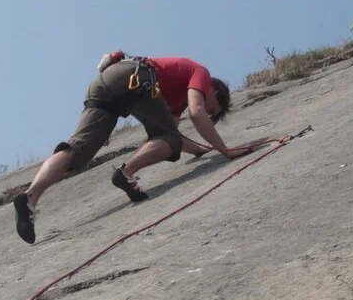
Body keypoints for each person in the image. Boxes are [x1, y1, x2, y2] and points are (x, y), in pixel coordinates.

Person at [12, 52, 250, 244]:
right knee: (166, 137)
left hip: (105, 83)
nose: (208, 114)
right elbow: (196, 113)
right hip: (136, 77)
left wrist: (199, 151)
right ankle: (125, 174)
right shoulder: (201, 73)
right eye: (213, 110)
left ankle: (29, 199)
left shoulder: (174, 102)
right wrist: (225, 151)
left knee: (76, 152)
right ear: (214, 91)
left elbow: (172, 136)